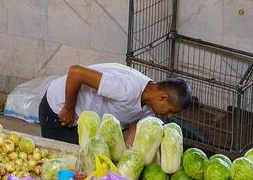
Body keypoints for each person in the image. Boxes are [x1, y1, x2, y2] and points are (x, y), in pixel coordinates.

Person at [35, 62, 192, 144]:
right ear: (163, 97)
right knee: (64, 165)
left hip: (82, 119)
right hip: (59, 109)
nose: (169, 116)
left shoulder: (149, 105)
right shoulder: (126, 88)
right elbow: (76, 72)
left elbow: (134, 130)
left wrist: (127, 160)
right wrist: (69, 108)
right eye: (171, 110)